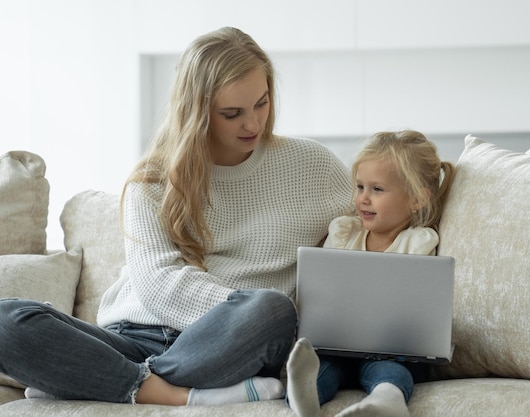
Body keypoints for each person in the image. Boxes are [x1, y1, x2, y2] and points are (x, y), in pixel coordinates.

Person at [0, 27, 352, 406]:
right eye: (232, 114)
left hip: (229, 342)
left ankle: (94, 378)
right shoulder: (151, 181)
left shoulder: (315, 167)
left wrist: (242, 314)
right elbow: (158, 283)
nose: (253, 124)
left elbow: (372, 234)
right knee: (6, 319)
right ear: (197, 112)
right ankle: (172, 393)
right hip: (133, 338)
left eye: (262, 104)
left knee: (270, 309)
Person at [286, 130, 455, 417]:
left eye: (377, 190)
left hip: (396, 351)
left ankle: (387, 400)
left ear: (416, 200)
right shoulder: (344, 233)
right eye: (360, 187)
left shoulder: (417, 243)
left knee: (391, 370)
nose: (363, 198)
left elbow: (419, 305)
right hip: (337, 347)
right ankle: (304, 398)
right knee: (322, 366)